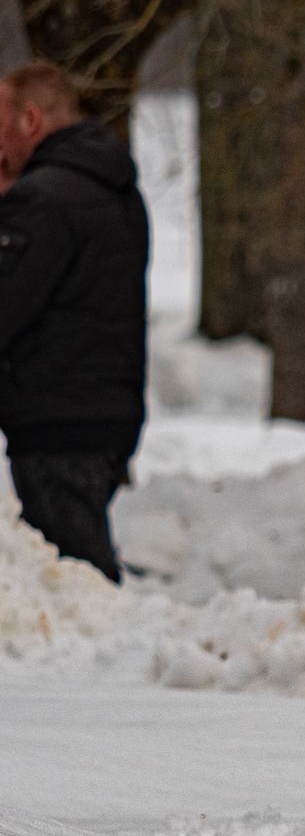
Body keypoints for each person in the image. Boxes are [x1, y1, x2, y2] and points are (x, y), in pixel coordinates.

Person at [0, 62, 150, 583]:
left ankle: (112, 658)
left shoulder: (42, 201)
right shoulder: (115, 191)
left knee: (78, 578)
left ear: (29, 120)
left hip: (55, 419)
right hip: (108, 410)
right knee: (77, 570)